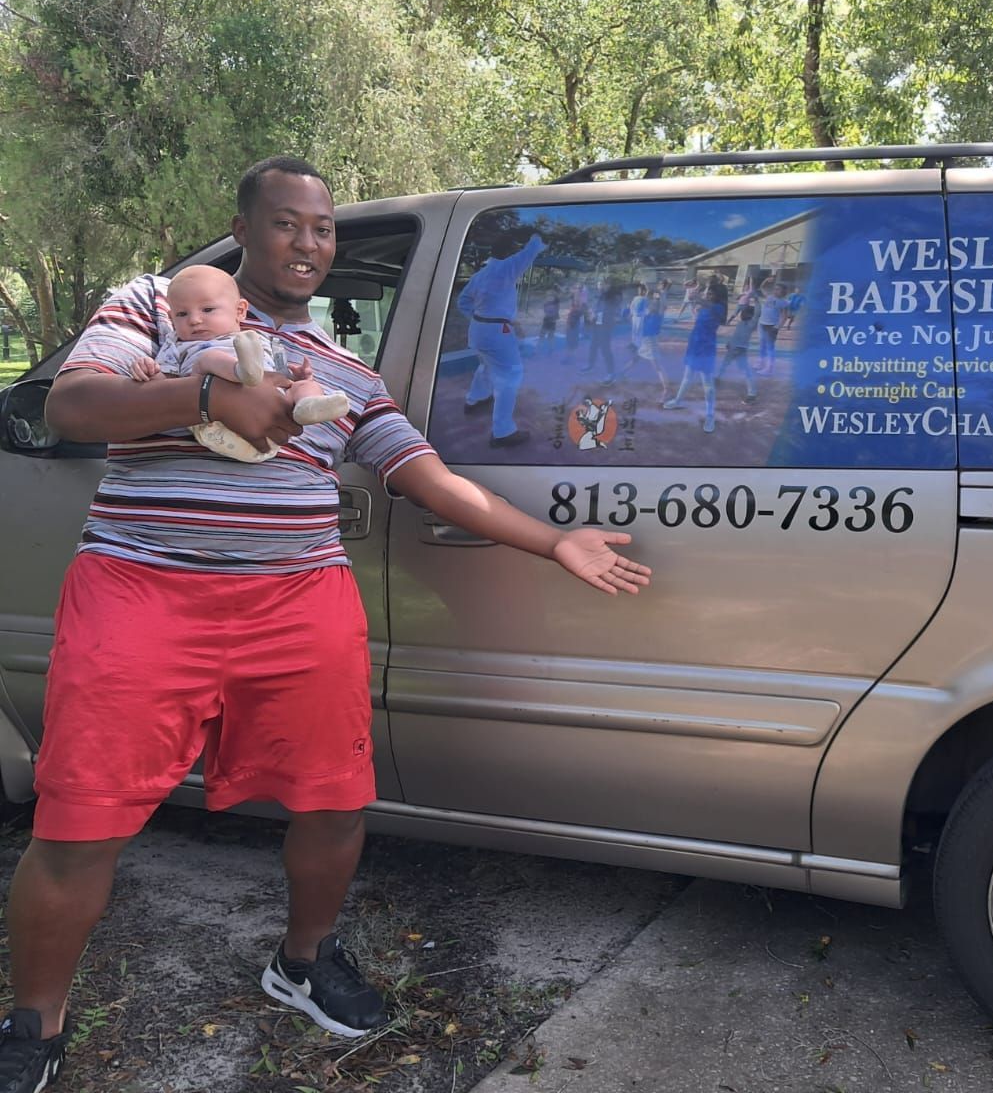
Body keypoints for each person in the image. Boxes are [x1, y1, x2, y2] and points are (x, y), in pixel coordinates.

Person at [0, 157, 651, 1093]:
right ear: (244, 226)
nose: (307, 244)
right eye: (286, 224)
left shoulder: (344, 372)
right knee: (79, 817)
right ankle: (37, 1018)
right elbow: (72, 404)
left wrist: (553, 544)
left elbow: (426, 475)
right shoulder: (162, 304)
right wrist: (204, 398)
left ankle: (302, 962)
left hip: (298, 602)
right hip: (142, 592)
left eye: (322, 228)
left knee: (335, 799)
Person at [131, 264, 349, 463]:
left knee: (305, 386)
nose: (194, 320)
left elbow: (280, 378)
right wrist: (149, 370)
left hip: (275, 429)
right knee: (208, 358)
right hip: (214, 426)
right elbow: (164, 383)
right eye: (182, 314)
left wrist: (297, 378)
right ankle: (241, 371)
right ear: (171, 319)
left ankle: (309, 407)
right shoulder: (178, 345)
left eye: (207, 310)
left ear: (240, 311)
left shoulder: (257, 340)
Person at [457, 230, 547, 448]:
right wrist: (537, 237)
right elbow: (530, 251)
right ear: (508, 252)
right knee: (511, 375)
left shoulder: (479, 275)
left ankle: (474, 399)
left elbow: (462, 301)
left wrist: (478, 318)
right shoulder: (508, 268)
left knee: (486, 365)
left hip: (478, 328)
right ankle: (502, 431)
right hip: (498, 330)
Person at [664, 274, 729, 432]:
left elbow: (710, 307)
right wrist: (700, 294)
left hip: (706, 348)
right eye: (708, 293)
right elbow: (703, 303)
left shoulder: (718, 308)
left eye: (711, 293)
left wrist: (699, 298)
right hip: (694, 343)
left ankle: (710, 415)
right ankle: (678, 400)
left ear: (718, 296)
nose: (708, 295)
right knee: (687, 377)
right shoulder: (706, 305)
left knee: (707, 384)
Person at [714, 302, 759, 403]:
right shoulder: (741, 323)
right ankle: (718, 378)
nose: (742, 314)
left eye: (745, 313)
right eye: (743, 312)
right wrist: (730, 342)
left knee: (745, 371)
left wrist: (757, 299)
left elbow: (757, 314)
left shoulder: (751, 324)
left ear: (751, 315)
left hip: (740, 349)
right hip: (733, 348)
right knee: (724, 364)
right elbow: (736, 335)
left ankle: (752, 394)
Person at [756, 276, 784, 374]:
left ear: (783, 292)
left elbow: (784, 316)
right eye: (775, 289)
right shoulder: (769, 297)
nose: (775, 290)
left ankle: (769, 368)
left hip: (771, 327)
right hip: (762, 324)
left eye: (778, 289)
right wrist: (766, 280)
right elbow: (761, 288)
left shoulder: (783, 302)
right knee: (762, 345)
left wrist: (777, 327)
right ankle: (760, 363)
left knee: (769, 347)